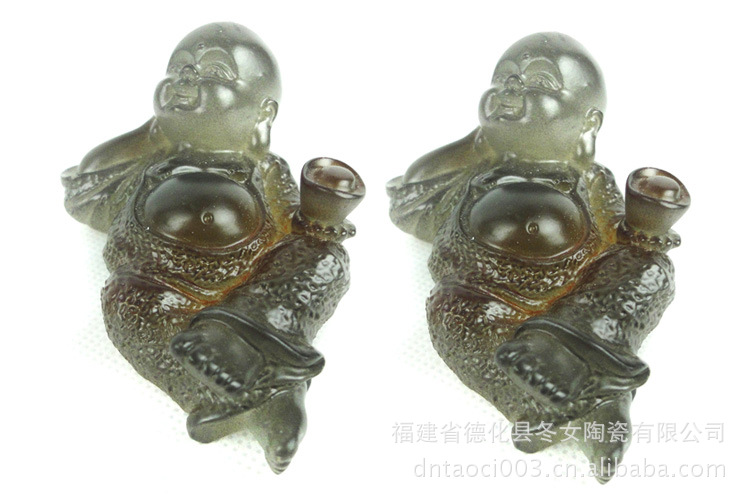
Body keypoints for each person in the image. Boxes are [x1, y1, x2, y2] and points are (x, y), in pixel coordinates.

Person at [62, 23, 364, 474]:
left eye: (214, 73)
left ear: (263, 112)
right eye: (179, 70)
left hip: (255, 288)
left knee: (329, 260)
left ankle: (249, 334)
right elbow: (83, 193)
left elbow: (296, 228)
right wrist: (156, 133)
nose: (187, 80)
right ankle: (260, 395)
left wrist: (321, 217)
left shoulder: (267, 168)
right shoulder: (151, 161)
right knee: (129, 306)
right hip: (160, 281)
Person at [387, 32, 689, 483]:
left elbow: (621, 238)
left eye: (539, 83)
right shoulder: (476, 171)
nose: (512, 90)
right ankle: (552, 404)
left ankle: (585, 353)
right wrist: (480, 143)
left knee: (653, 270)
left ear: (588, 122)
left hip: (579, 298)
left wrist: (646, 228)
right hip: (484, 291)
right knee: (452, 317)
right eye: (504, 80)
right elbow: (407, 205)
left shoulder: (593, 179)